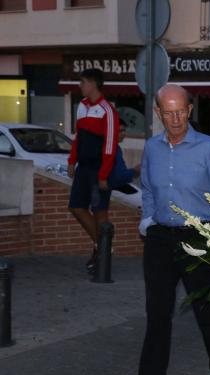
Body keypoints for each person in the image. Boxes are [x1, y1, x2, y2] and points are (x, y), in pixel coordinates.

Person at [119, 84, 210, 375]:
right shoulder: (152, 147)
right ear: (158, 113)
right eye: (168, 112)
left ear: (190, 110)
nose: (175, 118)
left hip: (198, 236)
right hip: (158, 236)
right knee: (157, 310)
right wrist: (147, 218)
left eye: (181, 111)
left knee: (205, 306)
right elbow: (148, 189)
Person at [67, 68, 119, 273]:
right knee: (76, 207)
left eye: (83, 82)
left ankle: (101, 255)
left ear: (93, 84)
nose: (80, 86)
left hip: (99, 168)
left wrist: (104, 174)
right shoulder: (82, 106)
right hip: (83, 167)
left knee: (100, 213)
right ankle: (102, 246)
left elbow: (110, 145)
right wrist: (72, 161)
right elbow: (78, 137)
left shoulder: (108, 110)